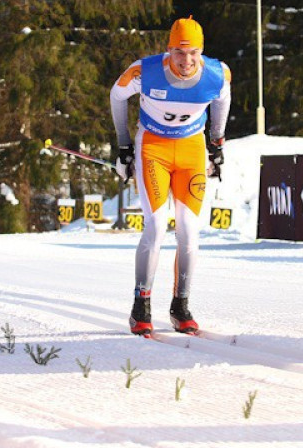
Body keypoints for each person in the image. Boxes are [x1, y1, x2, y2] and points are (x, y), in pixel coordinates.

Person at [110, 16, 231, 336]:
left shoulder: (218, 73)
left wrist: (216, 143)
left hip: (192, 150)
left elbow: (223, 100)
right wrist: (123, 145)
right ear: (169, 50)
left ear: (201, 51)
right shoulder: (145, 71)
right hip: (153, 149)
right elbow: (116, 95)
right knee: (156, 225)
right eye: (179, 52)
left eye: (193, 52)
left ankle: (181, 305)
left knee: (190, 232)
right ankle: (141, 306)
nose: (186, 60)